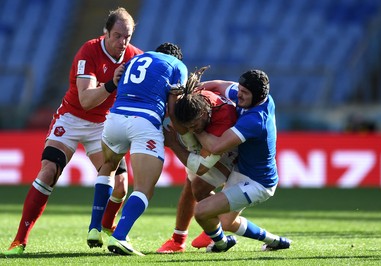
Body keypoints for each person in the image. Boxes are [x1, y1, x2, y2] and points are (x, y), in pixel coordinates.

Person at [2, 7, 143, 256]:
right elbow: (86, 100)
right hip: (71, 118)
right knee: (48, 172)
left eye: (128, 36)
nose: (123, 42)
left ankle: (108, 227)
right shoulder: (88, 51)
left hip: (102, 124)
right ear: (106, 33)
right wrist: (112, 84)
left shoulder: (135, 57)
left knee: (121, 184)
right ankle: (19, 241)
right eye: (118, 35)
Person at [98, 42, 188, 256]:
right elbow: (174, 103)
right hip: (144, 122)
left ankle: (95, 226)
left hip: (114, 118)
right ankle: (119, 237)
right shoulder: (177, 66)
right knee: (143, 188)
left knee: (109, 167)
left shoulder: (135, 59)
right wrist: (178, 128)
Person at [192, 69, 292, 252]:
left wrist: (195, 127)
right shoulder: (249, 96)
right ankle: (275, 241)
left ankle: (220, 244)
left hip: (258, 183)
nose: (239, 94)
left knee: (202, 212)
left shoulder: (256, 120)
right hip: (241, 169)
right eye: (240, 89)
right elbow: (216, 84)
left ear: (258, 96)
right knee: (225, 220)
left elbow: (216, 147)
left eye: (244, 92)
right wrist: (192, 92)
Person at [156, 67, 238, 253]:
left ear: (203, 115)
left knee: (198, 187)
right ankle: (180, 240)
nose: (192, 130)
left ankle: (212, 225)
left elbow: (201, 167)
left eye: (194, 126)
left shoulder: (223, 121)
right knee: (190, 185)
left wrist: (174, 145)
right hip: (211, 137)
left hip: (232, 148)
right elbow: (219, 84)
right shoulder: (194, 99)